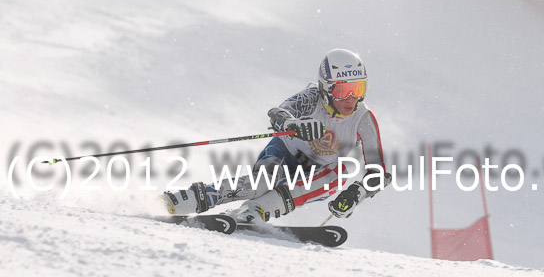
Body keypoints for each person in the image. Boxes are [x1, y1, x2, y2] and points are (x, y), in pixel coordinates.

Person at [161, 48, 389, 223]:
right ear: (325, 88)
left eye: (358, 89)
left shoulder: (364, 120)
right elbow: (278, 112)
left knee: (339, 175)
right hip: (285, 153)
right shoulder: (311, 98)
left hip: (321, 171)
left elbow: (379, 173)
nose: (351, 99)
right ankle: (183, 200)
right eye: (342, 91)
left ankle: (254, 211)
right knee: (261, 183)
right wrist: (294, 123)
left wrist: (358, 193)